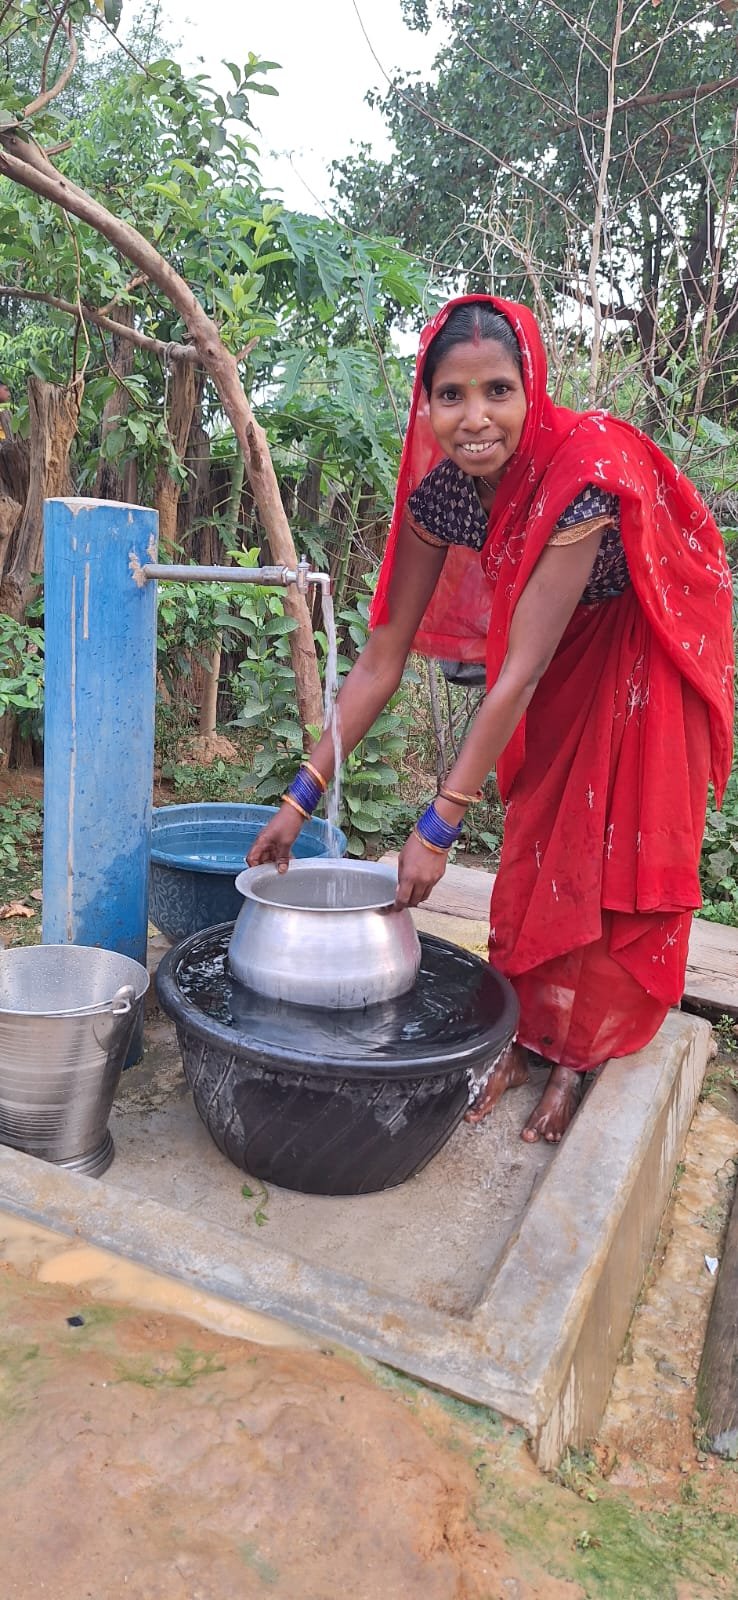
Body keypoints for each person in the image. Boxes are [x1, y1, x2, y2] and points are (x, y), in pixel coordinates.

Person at [247, 295, 734, 1144]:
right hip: (561, 656)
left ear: (531, 387)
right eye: (451, 396)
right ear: (426, 403)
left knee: (609, 856)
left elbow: (518, 673)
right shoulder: (442, 496)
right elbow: (380, 658)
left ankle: (580, 1058)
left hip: (644, 658)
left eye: (497, 391)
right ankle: (525, 1033)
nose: (475, 419)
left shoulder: (582, 472)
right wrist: (295, 800)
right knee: (539, 844)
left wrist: (436, 827)